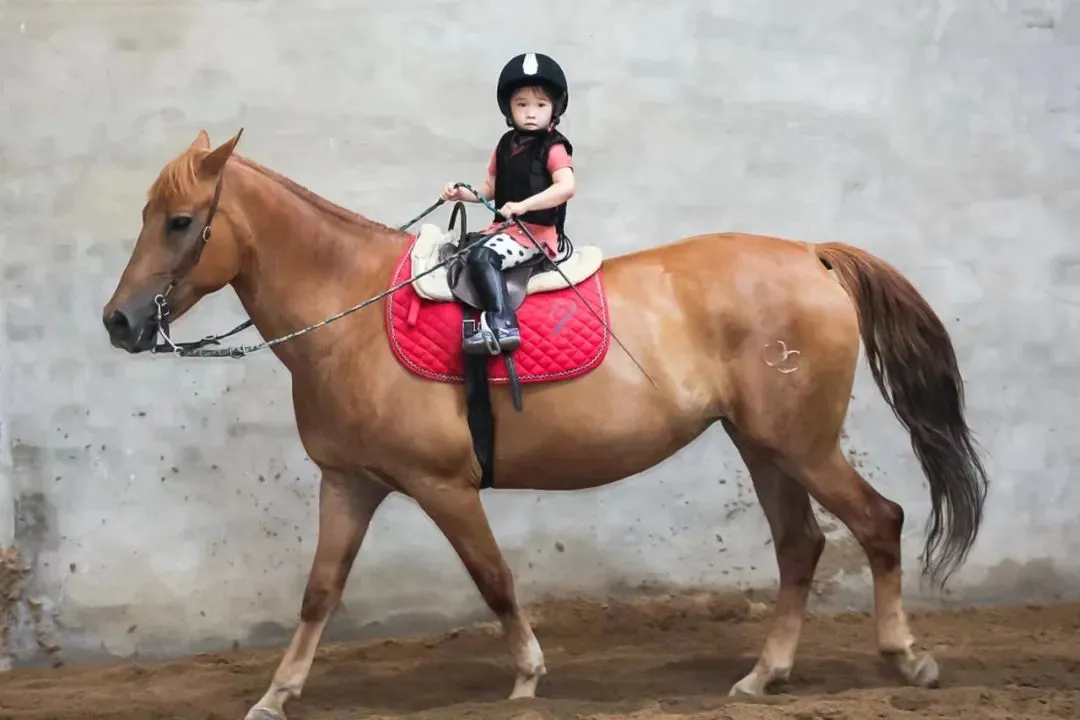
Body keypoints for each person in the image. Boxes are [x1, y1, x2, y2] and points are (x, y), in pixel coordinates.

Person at [441, 52, 576, 355]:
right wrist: (460, 193)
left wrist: (524, 205)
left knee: (482, 257)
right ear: (509, 108)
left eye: (540, 105)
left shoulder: (554, 147)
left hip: (535, 234)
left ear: (554, 108)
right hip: (505, 229)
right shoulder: (505, 144)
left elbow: (566, 187)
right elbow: (489, 188)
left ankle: (503, 325)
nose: (531, 113)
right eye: (522, 104)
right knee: (460, 251)